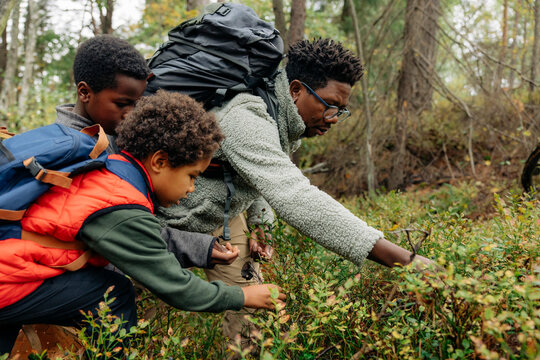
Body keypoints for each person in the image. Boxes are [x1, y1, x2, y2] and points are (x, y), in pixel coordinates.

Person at [158, 38, 433, 343]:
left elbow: (251, 168)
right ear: (296, 89)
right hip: (170, 215)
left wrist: (261, 222)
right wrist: (405, 259)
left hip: (222, 215)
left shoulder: (280, 114)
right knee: (131, 313)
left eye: (341, 110)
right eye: (330, 105)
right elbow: (296, 196)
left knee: (252, 310)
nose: (333, 119)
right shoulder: (245, 119)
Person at [0, 90, 286, 355]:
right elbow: (177, 288)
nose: (191, 189)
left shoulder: (111, 171)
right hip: (8, 280)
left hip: (11, 268)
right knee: (113, 294)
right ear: (159, 161)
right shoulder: (121, 202)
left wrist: (202, 248)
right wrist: (243, 296)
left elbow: (142, 237)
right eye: (191, 176)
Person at [58, 35, 236, 272]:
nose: (130, 113)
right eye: (122, 103)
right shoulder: (78, 154)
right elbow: (123, 230)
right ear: (84, 92)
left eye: (136, 103)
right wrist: (198, 247)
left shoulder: (106, 135)